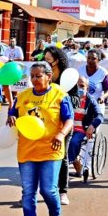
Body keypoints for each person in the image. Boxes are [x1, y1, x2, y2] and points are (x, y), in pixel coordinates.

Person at [7, 62, 73, 216]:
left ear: (49, 76)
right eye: (32, 76)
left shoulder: (60, 95)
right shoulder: (23, 96)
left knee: (48, 190)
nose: (35, 79)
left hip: (51, 149)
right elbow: (12, 113)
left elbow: (69, 120)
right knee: (28, 192)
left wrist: (60, 135)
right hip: (27, 150)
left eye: (39, 76)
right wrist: (11, 116)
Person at [44, 46, 75, 206]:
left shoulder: (67, 76)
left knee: (62, 155)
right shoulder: (43, 75)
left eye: (49, 60)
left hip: (63, 122)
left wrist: (64, 98)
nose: (46, 63)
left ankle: (63, 191)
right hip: (44, 121)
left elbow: (75, 101)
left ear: (57, 60)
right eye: (45, 59)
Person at [68, 76, 104, 177]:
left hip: (81, 129)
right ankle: (74, 163)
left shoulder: (91, 101)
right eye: (76, 86)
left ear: (87, 88)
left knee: (74, 142)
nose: (79, 88)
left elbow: (99, 116)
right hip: (67, 127)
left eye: (82, 86)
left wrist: (92, 126)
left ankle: (71, 160)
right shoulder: (68, 97)